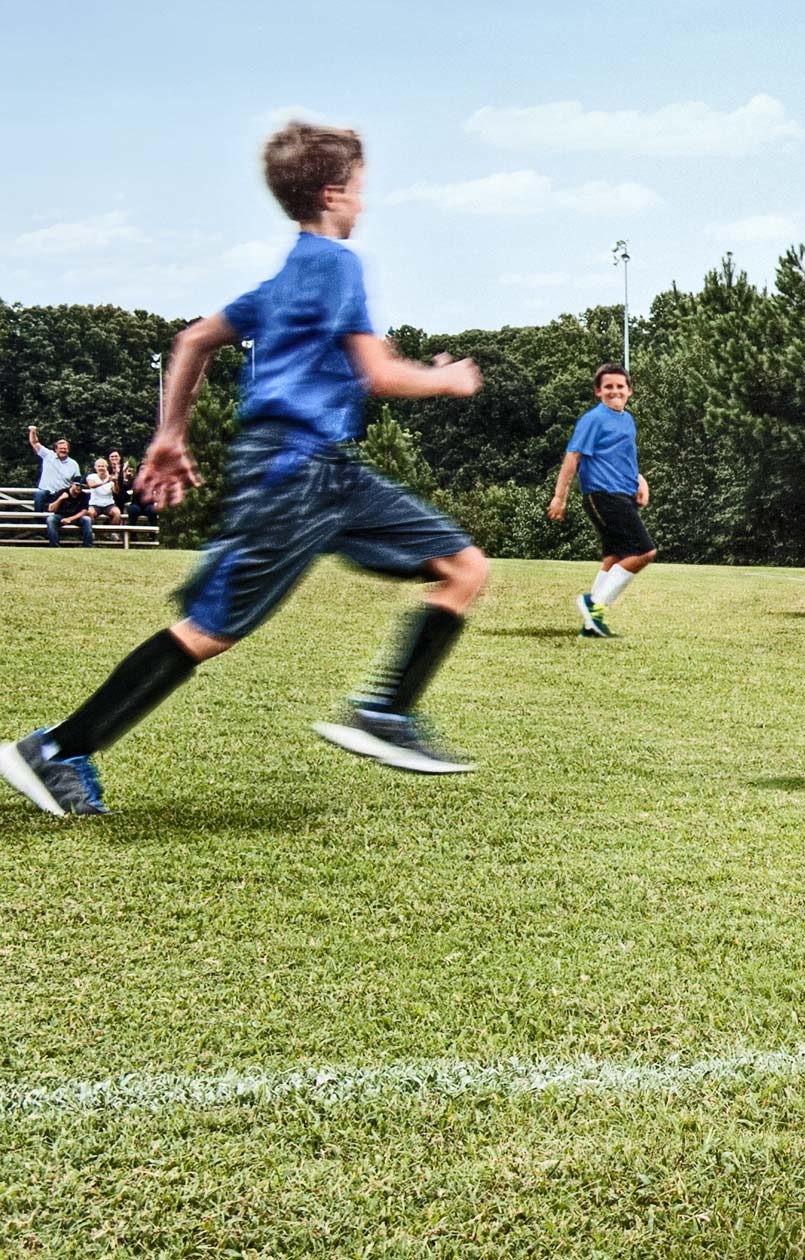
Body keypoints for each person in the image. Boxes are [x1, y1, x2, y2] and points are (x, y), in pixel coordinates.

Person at [0, 121, 490, 818]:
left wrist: (170, 435)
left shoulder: (289, 276)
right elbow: (377, 374)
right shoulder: (336, 264)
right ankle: (55, 751)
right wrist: (448, 381)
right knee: (210, 630)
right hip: (295, 475)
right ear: (332, 192)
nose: (363, 205)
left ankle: (386, 712)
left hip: (324, 472)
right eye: (359, 191)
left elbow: (194, 339)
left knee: (464, 566)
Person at [546, 364, 656, 638]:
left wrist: (640, 481)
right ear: (598, 391)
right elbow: (573, 457)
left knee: (615, 556)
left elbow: (622, 458)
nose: (614, 391)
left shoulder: (627, 420)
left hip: (622, 493)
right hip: (603, 495)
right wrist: (560, 497)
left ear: (629, 391)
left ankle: (591, 625)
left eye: (620, 386)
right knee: (644, 552)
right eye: (608, 386)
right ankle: (593, 605)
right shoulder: (593, 419)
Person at [27, 427, 80, 540]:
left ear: (68, 450)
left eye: (65, 449)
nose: (63, 450)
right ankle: (37, 524)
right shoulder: (48, 455)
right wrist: (33, 431)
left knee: (67, 506)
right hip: (46, 491)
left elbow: (77, 480)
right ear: (56, 449)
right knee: (40, 494)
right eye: (60, 448)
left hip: (62, 494)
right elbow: (34, 442)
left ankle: (65, 535)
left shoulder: (73, 464)